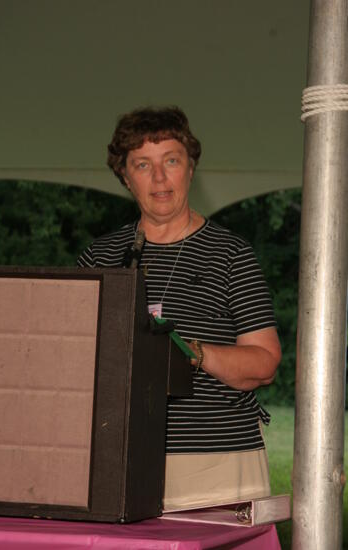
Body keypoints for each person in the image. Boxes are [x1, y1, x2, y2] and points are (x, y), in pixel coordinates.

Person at [78, 106, 282, 511]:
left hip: (216, 464)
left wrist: (192, 352)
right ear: (124, 176)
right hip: (119, 460)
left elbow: (264, 364)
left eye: (171, 160)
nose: (159, 178)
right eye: (142, 164)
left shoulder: (231, 254)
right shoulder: (99, 257)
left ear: (191, 168)